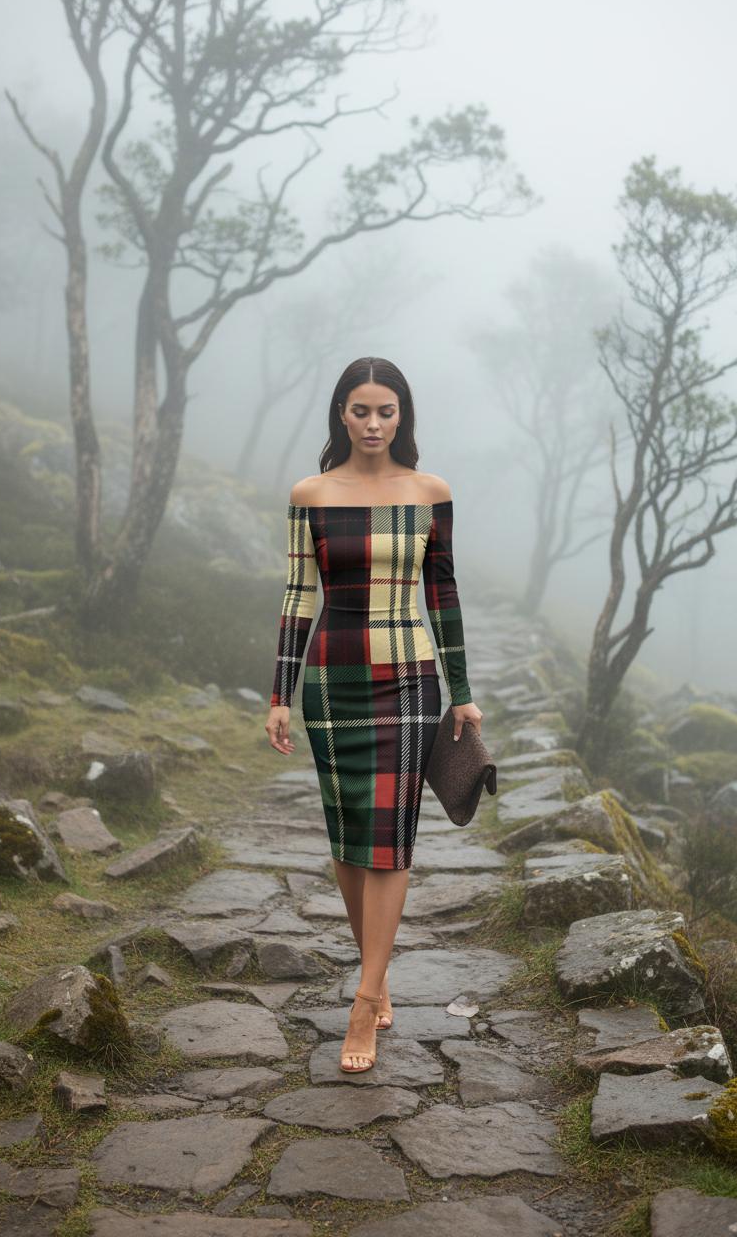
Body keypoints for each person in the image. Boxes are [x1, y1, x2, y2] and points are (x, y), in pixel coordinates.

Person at [265, 355, 482, 1072]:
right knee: (348, 835)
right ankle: (378, 970)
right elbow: (299, 595)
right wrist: (278, 695)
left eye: (386, 411)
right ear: (340, 414)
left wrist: (463, 689)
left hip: (409, 681)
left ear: (403, 417)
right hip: (332, 680)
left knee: (389, 837)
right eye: (360, 411)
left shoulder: (429, 492)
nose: (372, 424)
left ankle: (364, 1001)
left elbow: (442, 595)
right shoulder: (311, 493)